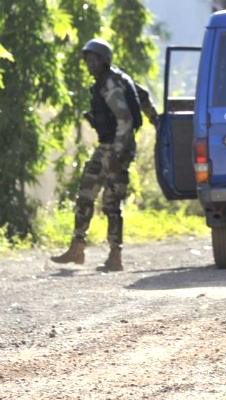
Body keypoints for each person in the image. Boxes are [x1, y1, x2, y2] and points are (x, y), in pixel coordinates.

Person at [51, 38, 158, 272]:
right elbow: (142, 96)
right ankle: (77, 247)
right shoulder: (117, 78)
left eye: (94, 60)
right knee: (85, 192)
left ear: (104, 61)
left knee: (111, 202)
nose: (90, 65)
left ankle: (115, 255)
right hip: (107, 146)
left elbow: (125, 119)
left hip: (117, 148)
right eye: (87, 60)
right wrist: (155, 118)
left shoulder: (110, 84)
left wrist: (117, 153)